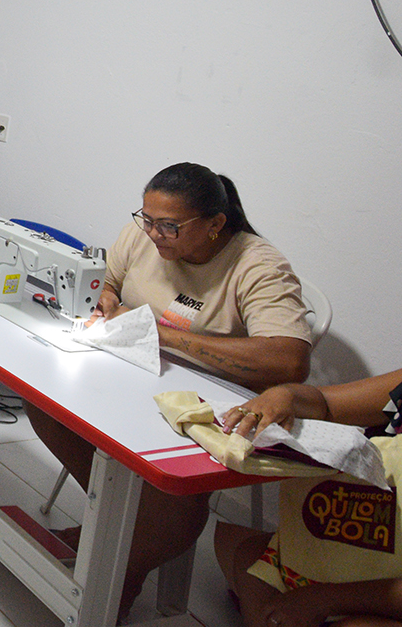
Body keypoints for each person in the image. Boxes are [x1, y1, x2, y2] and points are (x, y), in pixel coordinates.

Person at [28, 162, 313, 622]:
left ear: (216, 225)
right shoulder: (142, 235)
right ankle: (112, 523)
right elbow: (109, 280)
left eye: (169, 227)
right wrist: (104, 297)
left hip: (208, 403)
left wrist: (165, 336)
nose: (154, 235)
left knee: (169, 499)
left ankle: (121, 569)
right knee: (44, 401)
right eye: (147, 219)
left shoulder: (257, 265)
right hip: (134, 373)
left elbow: (289, 361)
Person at [213, 370, 402, 627]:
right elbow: (324, 404)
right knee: (239, 551)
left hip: (383, 589)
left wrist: (321, 599)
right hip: (351, 557)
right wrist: (284, 396)